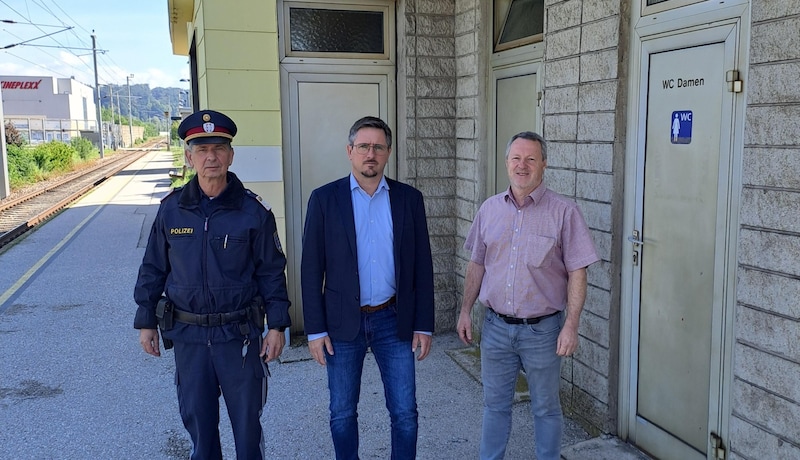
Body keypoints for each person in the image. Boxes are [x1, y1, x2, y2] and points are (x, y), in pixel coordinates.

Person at [134, 109, 291, 460]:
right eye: (201, 149)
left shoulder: (254, 213)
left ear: (231, 156)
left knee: (248, 431)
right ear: (189, 157)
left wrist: (277, 325)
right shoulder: (171, 210)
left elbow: (271, 272)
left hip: (239, 337)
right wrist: (146, 321)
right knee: (201, 433)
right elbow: (153, 268)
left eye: (219, 148)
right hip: (189, 338)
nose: (211, 157)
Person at [456, 131, 599, 460]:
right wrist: (465, 311)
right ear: (506, 163)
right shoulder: (490, 209)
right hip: (494, 328)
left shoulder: (564, 212)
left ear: (544, 165)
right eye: (516, 158)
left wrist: (572, 326)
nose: (523, 165)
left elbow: (578, 271)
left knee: (546, 408)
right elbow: (477, 263)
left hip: (544, 332)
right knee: (495, 406)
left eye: (531, 159)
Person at [301, 116, 435, 460]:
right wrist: (315, 330)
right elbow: (311, 269)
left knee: (405, 413)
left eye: (378, 147)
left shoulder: (409, 200)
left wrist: (423, 324)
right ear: (350, 151)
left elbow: (422, 266)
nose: (370, 154)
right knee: (342, 412)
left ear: (388, 152)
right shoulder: (324, 199)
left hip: (394, 319)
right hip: (342, 322)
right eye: (363, 146)